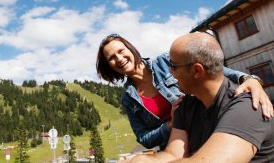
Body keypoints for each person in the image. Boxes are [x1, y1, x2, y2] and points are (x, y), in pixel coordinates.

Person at [96, 34, 273, 150]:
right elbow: (143, 138)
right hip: (174, 147)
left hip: (207, 130)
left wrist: (248, 79)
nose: (119, 58)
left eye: (121, 51)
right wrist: (170, 125)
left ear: (130, 48)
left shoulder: (166, 61)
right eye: (111, 57)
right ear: (108, 65)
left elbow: (213, 69)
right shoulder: (128, 98)